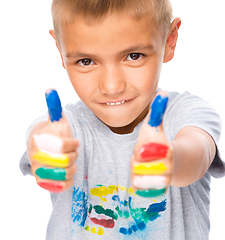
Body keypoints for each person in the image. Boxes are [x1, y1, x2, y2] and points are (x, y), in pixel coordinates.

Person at [20, 0, 224, 239]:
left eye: (133, 56)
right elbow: (41, 137)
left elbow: (197, 152)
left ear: (169, 40)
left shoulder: (186, 113)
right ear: (60, 51)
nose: (112, 86)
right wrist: (46, 150)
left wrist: (170, 159)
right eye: (86, 61)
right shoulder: (64, 127)